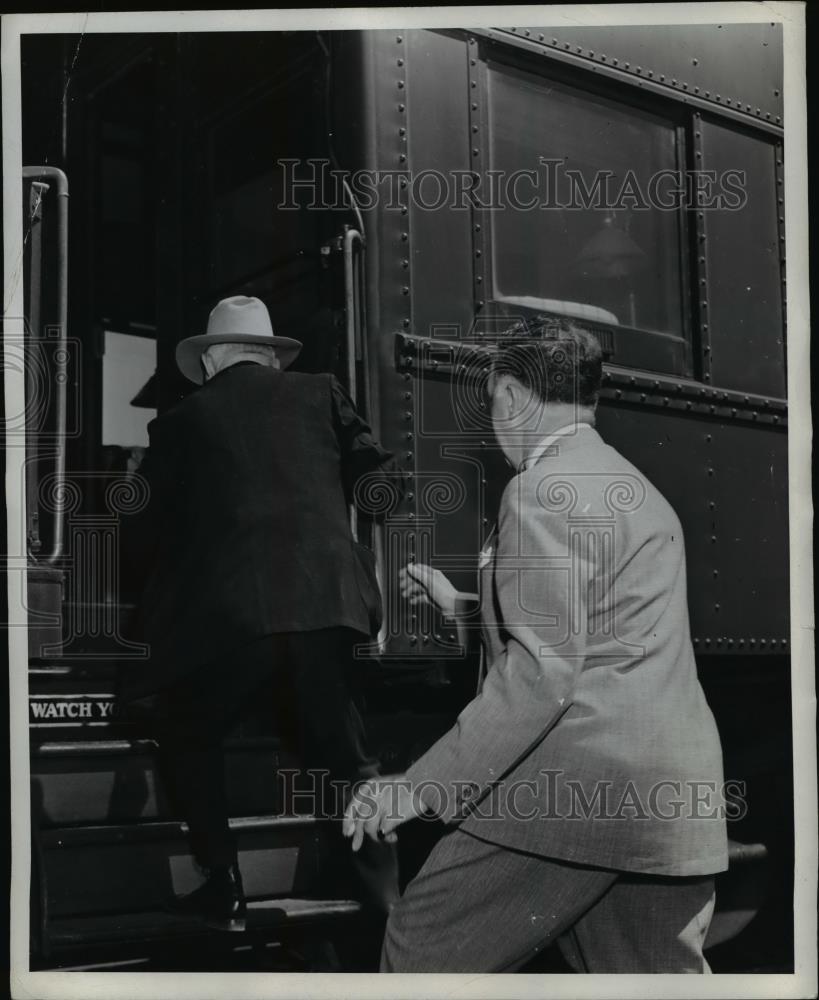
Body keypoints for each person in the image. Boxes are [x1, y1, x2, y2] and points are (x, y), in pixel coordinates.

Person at [344, 319, 729, 973]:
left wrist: (418, 788)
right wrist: (466, 609)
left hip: (573, 791)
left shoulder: (536, 493)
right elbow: (606, 627)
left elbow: (542, 672)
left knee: (420, 951)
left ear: (512, 394)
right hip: (664, 795)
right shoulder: (636, 487)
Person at [120, 295, 400, 937]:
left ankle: (223, 885)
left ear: (213, 358)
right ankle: (388, 911)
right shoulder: (323, 394)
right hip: (330, 611)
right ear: (270, 357)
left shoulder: (182, 422)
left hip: (234, 624)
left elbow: (140, 537)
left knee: (187, 727)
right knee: (350, 761)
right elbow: (383, 488)